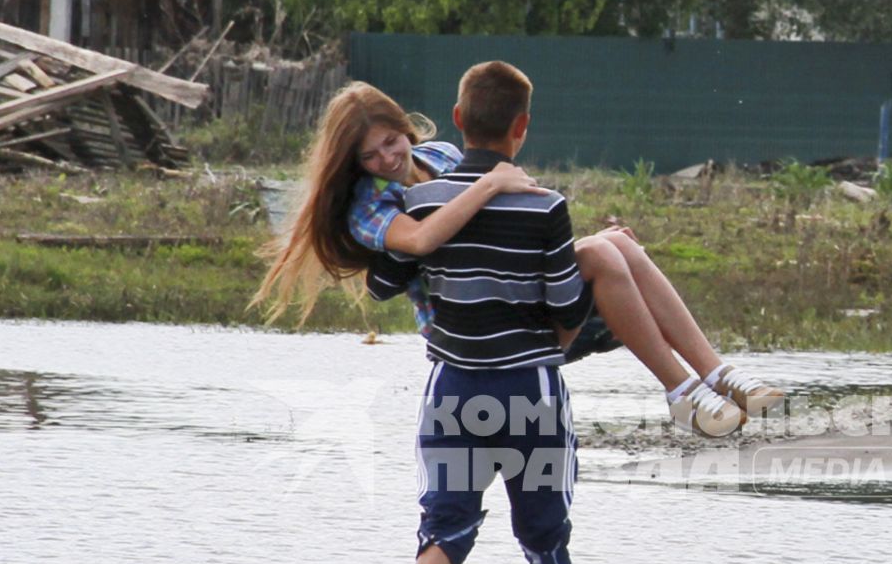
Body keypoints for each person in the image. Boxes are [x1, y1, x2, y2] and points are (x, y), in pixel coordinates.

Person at [252, 82, 782, 436]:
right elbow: (419, 241)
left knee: (617, 245)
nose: (388, 158)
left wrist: (504, 194)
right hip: (472, 329)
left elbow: (517, 217)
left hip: (516, 292)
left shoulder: (439, 156)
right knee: (600, 252)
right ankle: (682, 394)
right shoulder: (368, 202)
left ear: (406, 130)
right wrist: (489, 183)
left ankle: (720, 375)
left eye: (392, 141)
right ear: (355, 162)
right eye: (370, 155)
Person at [374, 61, 586, 564]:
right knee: (546, 538)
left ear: (459, 119)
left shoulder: (419, 204)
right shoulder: (546, 205)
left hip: (454, 394)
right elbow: (569, 307)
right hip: (533, 396)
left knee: (443, 528)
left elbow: (382, 281)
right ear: (521, 129)